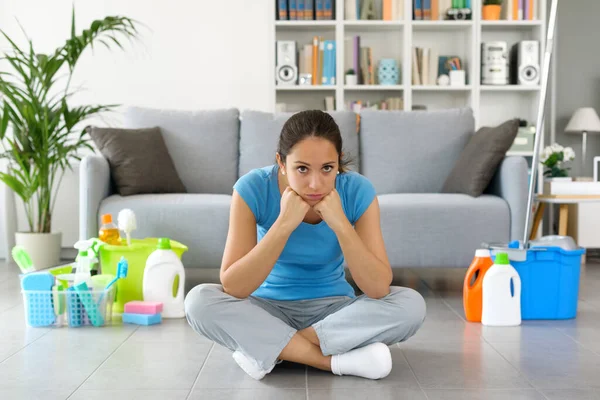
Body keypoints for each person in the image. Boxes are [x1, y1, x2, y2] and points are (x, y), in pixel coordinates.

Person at [185, 110, 426, 381]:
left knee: (411, 304)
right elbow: (234, 286)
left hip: (334, 313)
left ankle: (272, 350)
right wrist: (284, 223)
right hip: (266, 308)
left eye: (327, 168)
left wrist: (341, 224)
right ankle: (333, 361)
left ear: (338, 163)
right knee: (198, 301)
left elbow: (378, 287)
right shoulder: (252, 188)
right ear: (281, 163)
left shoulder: (358, 191)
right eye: (302, 169)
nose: (315, 184)